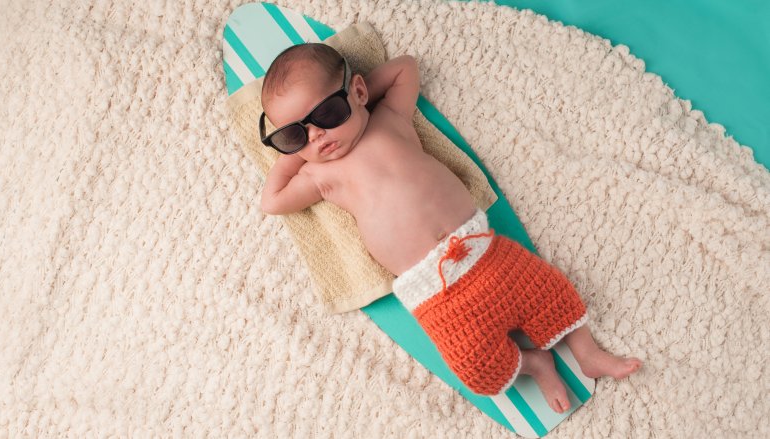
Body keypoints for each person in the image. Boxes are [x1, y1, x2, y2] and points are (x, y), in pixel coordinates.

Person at [259, 43, 641, 413]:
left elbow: (404, 67)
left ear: (357, 90)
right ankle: (534, 364)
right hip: (434, 292)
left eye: (327, 113)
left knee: (550, 292)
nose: (316, 136)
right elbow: (272, 202)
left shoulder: (388, 119)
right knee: (477, 369)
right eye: (294, 134)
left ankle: (588, 354)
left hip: (481, 249)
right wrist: (293, 156)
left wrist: (358, 99)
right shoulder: (321, 176)